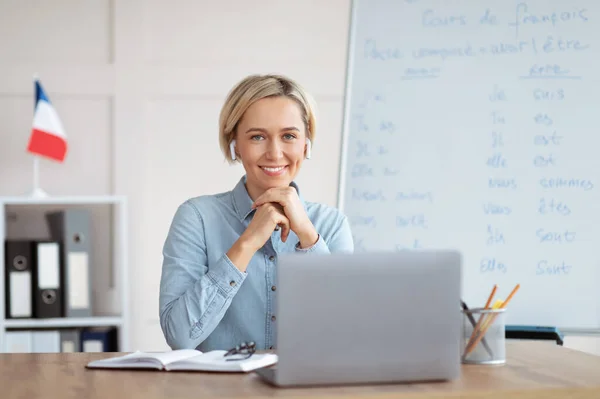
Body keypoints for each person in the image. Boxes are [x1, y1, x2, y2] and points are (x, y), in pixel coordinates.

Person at [158, 74, 354, 352]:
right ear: (235, 145)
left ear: (306, 144)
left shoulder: (331, 225)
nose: (274, 153)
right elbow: (180, 336)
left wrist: (309, 239)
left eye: (289, 136)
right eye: (258, 137)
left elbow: (345, 336)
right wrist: (247, 242)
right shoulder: (197, 218)